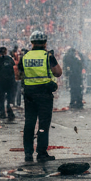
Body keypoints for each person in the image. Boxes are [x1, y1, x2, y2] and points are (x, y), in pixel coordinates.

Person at [17, 30, 62, 164]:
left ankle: (28, 153)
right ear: (45, 43)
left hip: (29, 94)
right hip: (44, 94)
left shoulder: (25, 56)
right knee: (43, 124)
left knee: (29, 123)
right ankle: (41, 153)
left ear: (32, 42)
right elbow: (58, 72)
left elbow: (18, 75)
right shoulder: (48, 56)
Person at [0, 46, 17, 121]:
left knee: (1, 98)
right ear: (6, 51)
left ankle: (2, 113)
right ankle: (9, 111)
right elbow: (14, 69)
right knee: (10, 97)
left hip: (1, 82)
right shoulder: (10, 59)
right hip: (10, 81)